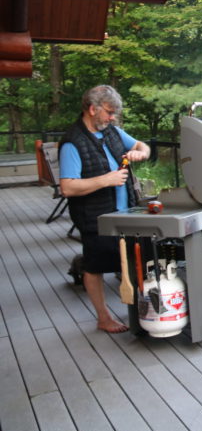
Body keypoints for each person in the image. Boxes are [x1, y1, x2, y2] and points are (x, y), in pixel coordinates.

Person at [59, 85, 151, 333]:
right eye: (109, 112)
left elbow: (145, 146)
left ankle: (140, 307)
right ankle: (103, 318)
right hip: (95, 216)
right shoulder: (72, 143)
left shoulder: (113, 132)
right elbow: (67, 187)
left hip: (126, 212)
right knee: (95, 265)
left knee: (134, 256)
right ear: (92, 109)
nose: (113, 118)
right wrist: (106, 180)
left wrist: (139, 153)